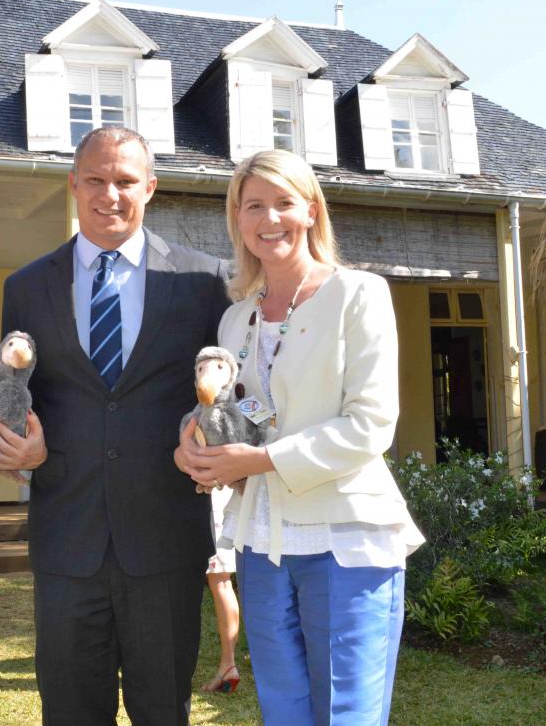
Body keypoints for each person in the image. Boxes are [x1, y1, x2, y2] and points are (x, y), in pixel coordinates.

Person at [175, 149, 425, 726]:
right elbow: (245, 414)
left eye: (284, 203)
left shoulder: (358, 293)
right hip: (263, 542)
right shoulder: (236, 319)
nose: (269, 219)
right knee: (283, 713)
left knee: (346, 715)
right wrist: (197, 442)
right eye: (253, 206)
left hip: (348, 539)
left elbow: (370, 424)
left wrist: (257, 459)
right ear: (237, 218)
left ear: (311, 210)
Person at [0, 126, 230, 726]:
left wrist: (214, 436)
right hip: (67, 539)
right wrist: (22, 444)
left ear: (150, 187)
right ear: (73, 184)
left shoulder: (203, 281)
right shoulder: (25, 287)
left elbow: (230, 390)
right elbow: (21, 393)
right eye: (95, 179)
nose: (110, 194)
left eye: (125, 181)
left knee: (162, 712)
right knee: (70, 713)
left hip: (165, 540)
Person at [202, 485, 241, 693]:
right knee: (222, 582)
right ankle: (229, 663)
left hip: (214, 500)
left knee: (220, 582)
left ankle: (229, 664)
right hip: (222, 499)